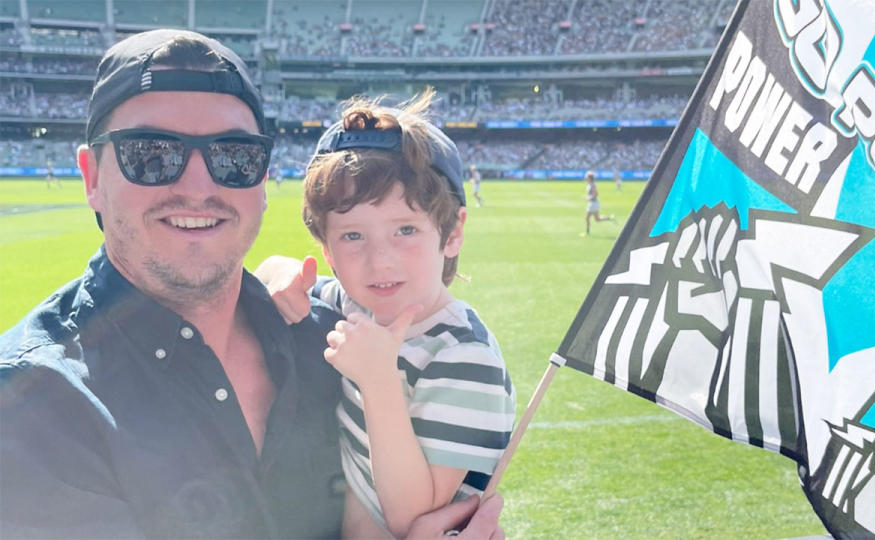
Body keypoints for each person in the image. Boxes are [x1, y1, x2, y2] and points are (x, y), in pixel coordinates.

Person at [0, 29, 504, 540]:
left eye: (233, 156)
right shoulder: (29, 405)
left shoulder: (324, 334)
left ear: (262, 182)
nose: (198, 188)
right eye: (150, 153)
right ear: (91, 178)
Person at [256, 90, 515, 539]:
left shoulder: (464, 356)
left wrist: (378, 379)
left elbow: (414, 518)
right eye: (353, 236)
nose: (380, 261)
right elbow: (270, 271)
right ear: (327, 249)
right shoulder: (354, 302)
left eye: (406, 230)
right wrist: (283, 273)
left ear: (452, 233)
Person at [583, 169, 615, 236]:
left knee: (587, 218)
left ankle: (587, 233)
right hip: (594, 203)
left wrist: (588, 198)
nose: (585, 177)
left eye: (586, 176)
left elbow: (596, 194)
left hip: (593, 204)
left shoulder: (592, 185)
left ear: (589, 178)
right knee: (597, 219)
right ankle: (610, 218)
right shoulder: (590, 184)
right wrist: (587, 196)